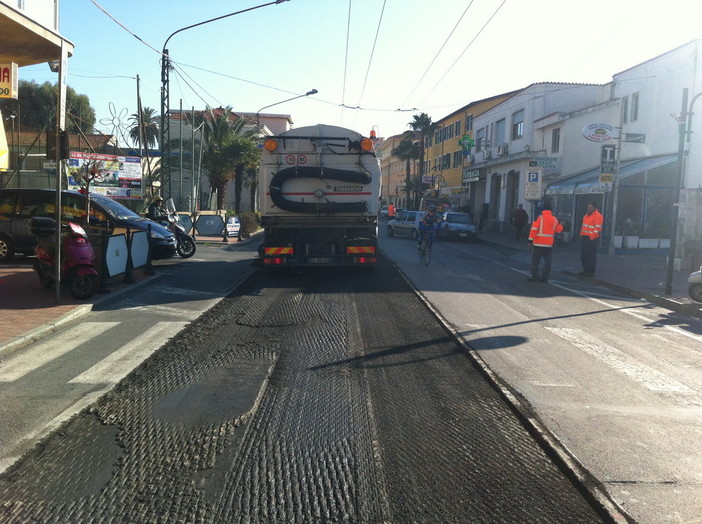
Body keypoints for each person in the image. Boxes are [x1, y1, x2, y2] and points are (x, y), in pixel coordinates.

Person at [527, 203, 563, 283]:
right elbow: (559, 230)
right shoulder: (554, 219)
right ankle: (545, 278)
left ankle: (535, 277)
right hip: (548, 245)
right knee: (548, 262)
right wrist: (561, 224)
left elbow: (533, 230)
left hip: (538, 244)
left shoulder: (539, 218)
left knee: (535, 261)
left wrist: (530, 240)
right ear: (550, 210)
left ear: (543, 210)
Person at [579, 202, 604, 277]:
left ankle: (590, 272)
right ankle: (585, 270)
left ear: (594, 208)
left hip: (592, 238)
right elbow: (584, 226)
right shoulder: (586, 215)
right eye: (588, 207)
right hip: (584, 237)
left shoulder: (598, 216)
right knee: (584, 255)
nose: (588, 208)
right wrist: (581, 234)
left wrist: (591, 237)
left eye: (590, 207)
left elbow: (598, 228)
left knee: (591, 255)